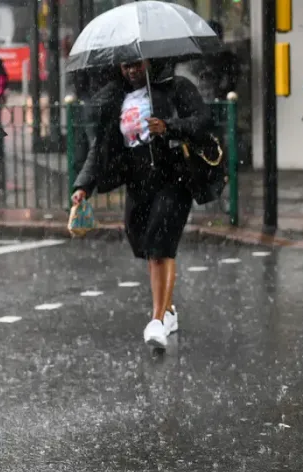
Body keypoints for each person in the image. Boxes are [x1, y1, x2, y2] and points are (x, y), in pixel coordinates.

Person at [71, 59, 213, 349]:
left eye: (137, 64)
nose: (132, 70)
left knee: (161, 244)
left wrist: (169, 127)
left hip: (174, 176)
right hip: (137, 179)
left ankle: (157, 320)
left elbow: (202, 120)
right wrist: (83, 186)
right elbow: (101, 146)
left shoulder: (176, 88)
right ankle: (169, 311)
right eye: (126, 66)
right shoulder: (116, 98)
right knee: (144, 243)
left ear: (151, 61)